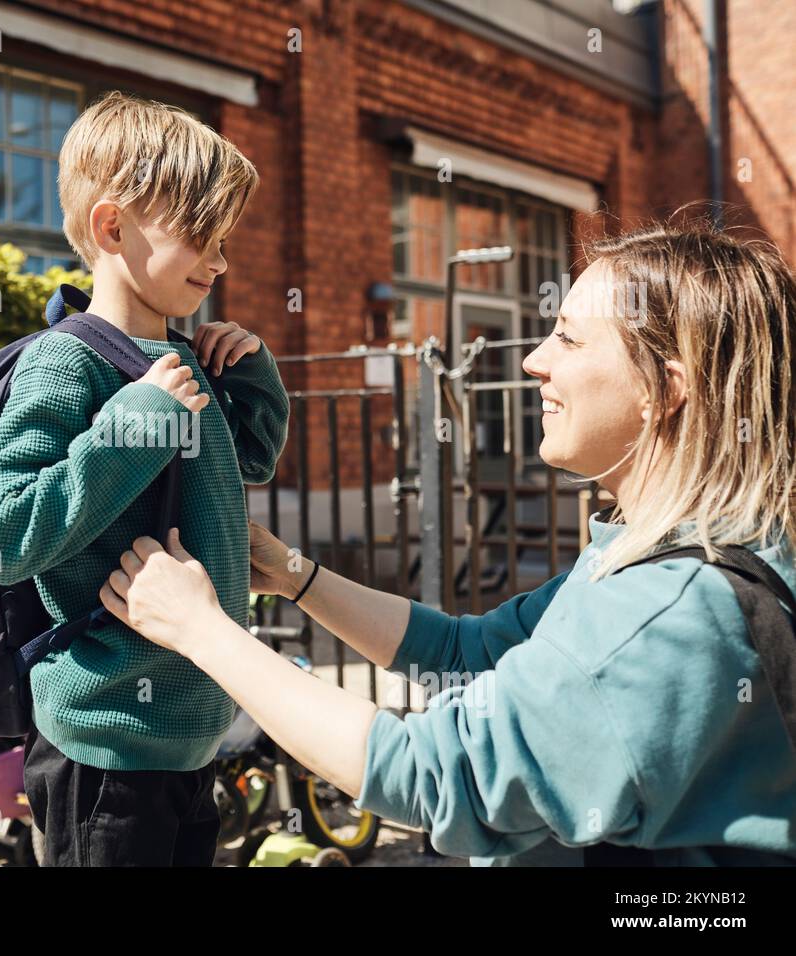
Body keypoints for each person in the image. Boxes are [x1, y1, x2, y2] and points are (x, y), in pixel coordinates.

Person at [99, 221, 796, 865]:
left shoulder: (669, 608)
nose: (532, 362)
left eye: (571, 339)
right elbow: (469, 654)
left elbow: (435, 773)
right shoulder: (675, 550)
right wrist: (295, 575)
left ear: (663, 391)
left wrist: (203, 631)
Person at [0, 91, 290, 866]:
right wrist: (132, 427)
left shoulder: (180, 362)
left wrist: (253, 380)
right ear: (112, 227)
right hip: (104, 751)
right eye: (202, 236)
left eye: (226, 240)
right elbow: (7, 534)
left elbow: (248, 461)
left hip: (190, 738)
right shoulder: (66, 361)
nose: (220, 261)